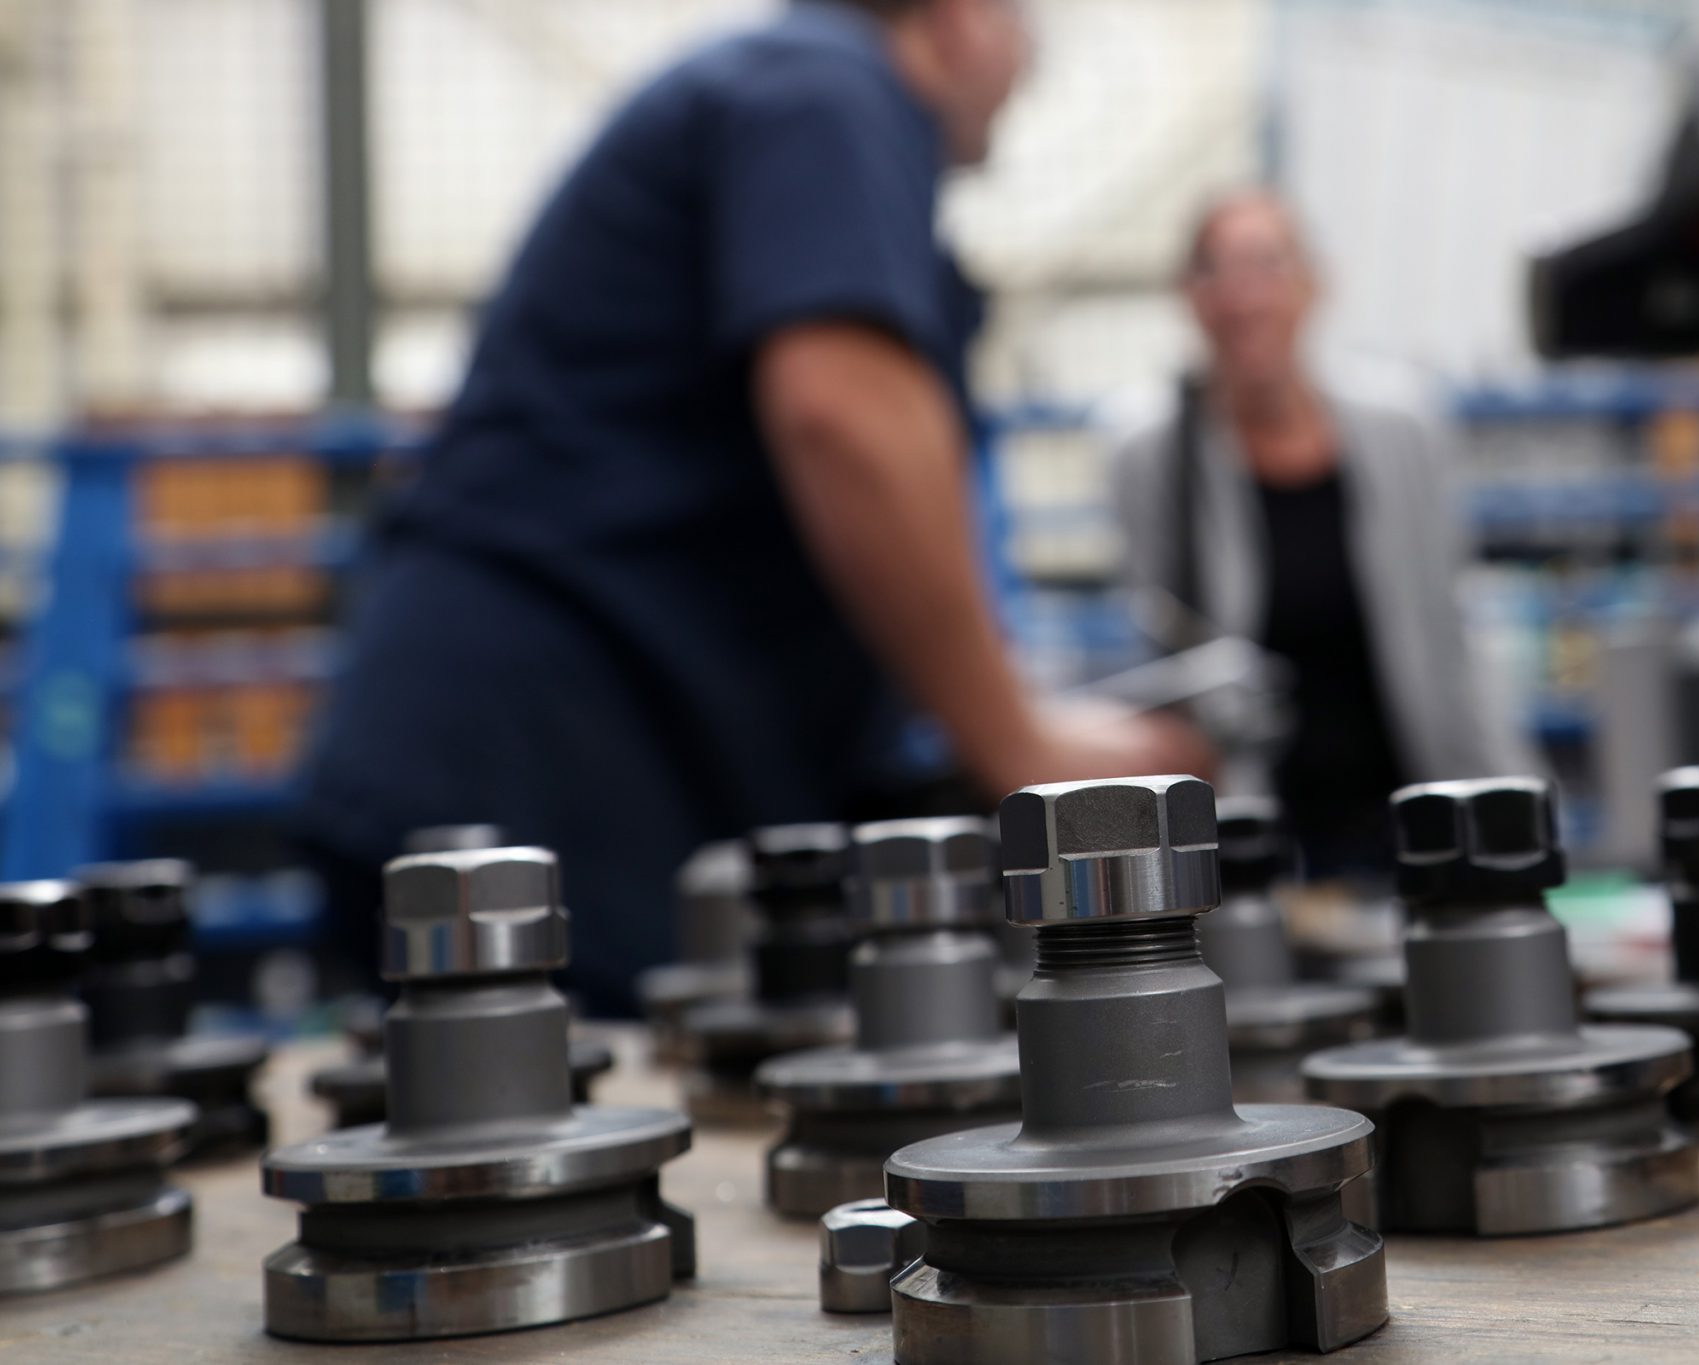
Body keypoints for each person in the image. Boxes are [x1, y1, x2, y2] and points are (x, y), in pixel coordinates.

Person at [295, 0, 1205, 1013]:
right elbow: (843, 415)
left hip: (563, 770)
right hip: (531, 778)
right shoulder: (827, 89)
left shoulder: (786, 95)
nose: (1029, 63)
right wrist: (1020, 747)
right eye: (1024, 26)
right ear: (958, 19)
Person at [1108, 191, 1536, 877]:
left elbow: (1447, 631)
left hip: (1406, 797)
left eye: (1267, 265)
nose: (1245, 297)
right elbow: (1162, 638)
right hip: (1252, 824)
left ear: (1313, 282)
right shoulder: (1155, 450)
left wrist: (1505, 797)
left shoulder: (1403, 429)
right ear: (1188, 296)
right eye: (1217, 270)